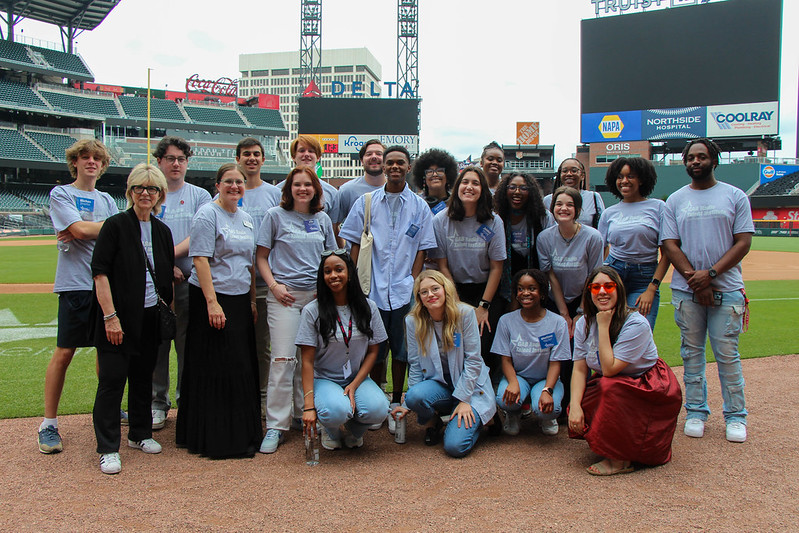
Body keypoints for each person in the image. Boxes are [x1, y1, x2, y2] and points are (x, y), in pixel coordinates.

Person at [661, 138, 754, 443]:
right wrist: (694, 279)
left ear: (714, 160)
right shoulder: (675, 199)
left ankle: (736, 416)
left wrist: (711, 274)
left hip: (727, 288)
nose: (695, 162)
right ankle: (697, 411)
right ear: (685, 162)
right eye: (690, 157)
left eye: (702, 157)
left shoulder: (735, 196)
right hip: (687, 291)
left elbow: (743, 242)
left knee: (727, 354)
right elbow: (670, 244)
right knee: (691, 354)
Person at [339, 145, 437, 426]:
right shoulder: (366, 202)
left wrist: (414, 280)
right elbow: (354, 245)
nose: (394, 167)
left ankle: (396, 401)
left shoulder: (420, 206)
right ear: (382, 167)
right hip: (372, 290)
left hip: (405, 290)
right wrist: (354, 286)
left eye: (400, 163)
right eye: (389, 162)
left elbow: (423, 248)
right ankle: (377, 400)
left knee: (403, 350)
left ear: (408, 168)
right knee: (375, 349)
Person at [90, 164, 174, 474]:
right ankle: (108, 446)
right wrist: (110, 317)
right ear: (130, 192)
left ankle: (139, 433)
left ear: (160, 195)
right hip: (118, 318)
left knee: (143, 379)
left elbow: (164, 275)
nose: (145, 194)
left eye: (152, 189)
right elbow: (99, 273)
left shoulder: (162, 231)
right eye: (139, 188)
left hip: (150, 316)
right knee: (112, 381)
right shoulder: (114, 226)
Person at [175, 164, 262, 459]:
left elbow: (250, 264)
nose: (235, 186)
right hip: (212, 298)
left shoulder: (247, 218)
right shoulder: (207, 214)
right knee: (216, 366)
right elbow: (199, 259)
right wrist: (212, 303)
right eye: (229, 182)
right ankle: (214, 436)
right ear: (218, 185)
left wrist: (251, 301)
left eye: (239, 182)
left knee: (240, 366)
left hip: (239, 299)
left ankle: (241, 432)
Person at [38, 139, 118, 454]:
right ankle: (48, 423)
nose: (91, 162)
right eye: (84, 157)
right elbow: (85, 232)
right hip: (74, 284)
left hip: (104, 286)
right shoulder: (62, 193)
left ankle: (107, 410)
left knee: (105, 352)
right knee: (64, 352)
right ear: (75, 162)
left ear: (102, 164)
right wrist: (92, 229)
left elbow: (102, 232)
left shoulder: (107, 199)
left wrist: (85, 228)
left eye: (96, 158)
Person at [568, 267, 682, 475]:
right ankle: (613, 441)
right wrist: (574, 405)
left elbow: (610, 370)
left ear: (619, 290)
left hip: (648, 386)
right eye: (596, 287)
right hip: (616, 382)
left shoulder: (636, 323)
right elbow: (579, 368)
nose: (602, 291)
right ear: (589, 292)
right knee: (591, 392)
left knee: (609, 387)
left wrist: (603, 326)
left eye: (608, 286)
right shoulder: (584, 322)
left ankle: (620, 459)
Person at [256, 166, 337, 453]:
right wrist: (274, 286)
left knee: (311, 361)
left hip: (316, 299)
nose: (302, 189)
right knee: (282, 360)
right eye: (297, 184)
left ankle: (306, 415)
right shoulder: (274, 216)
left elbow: (332, 258)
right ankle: (276, 425)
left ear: (316, 189)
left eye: (308, 185)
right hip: (284, 297)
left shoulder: (323, 219)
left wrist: (324, 288)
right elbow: (262, 257)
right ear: (289, 189)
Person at [391, 271, 497, 458]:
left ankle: (483, 419)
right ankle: (435, 421)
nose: (430, 295)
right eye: (424, 292)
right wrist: (408, 404)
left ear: (445, 290)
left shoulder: (465, 314)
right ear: (419, 298)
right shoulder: (413, 321)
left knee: (455, 447)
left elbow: (473, 360)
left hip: (469, 387)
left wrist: (464, 400)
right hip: (439, 385)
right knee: (415, 395)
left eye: (435, 289)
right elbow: (414, 363)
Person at [297, 250, 389, 450]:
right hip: (324, 379)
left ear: (349, 274)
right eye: (327, 272)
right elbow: (307, 361)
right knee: (335, 410)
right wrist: (309, 406)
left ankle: (354, 431)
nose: (333, 276)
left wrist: (355, 384)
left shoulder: (368, 307)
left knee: (379, 409)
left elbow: (374, 350)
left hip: (356, 377)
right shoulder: (312, 311)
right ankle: (332, 431)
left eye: (339, 270)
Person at [151, 136, 211, 431]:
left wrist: (168, 260)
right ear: (159, 161)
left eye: (181, 159)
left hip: (188, 281)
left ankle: (186, 400)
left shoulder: (199, 195)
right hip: (154, 284)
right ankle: (157, 403)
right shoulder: (150, 192)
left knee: (188, 345)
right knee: (158, 344)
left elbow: (198, 236)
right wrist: (163, 266)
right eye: (171, 158)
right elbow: (140, 235)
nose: (176, 164)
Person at [429, 166, 506, 381]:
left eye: (475, 183)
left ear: (483, 189)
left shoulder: (493, 221)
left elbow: (496, 267)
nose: (469, 187)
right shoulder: (441, 220)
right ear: (457, 187)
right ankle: (455, 395)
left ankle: (487, 401)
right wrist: (457, 303)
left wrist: (483, 307)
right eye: (465, 182)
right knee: (455, 343)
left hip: (485, 290)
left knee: (484, 343)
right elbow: (442, 265)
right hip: (453, 288)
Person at [536, 185, 603, 413]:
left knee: (582, 351)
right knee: (558, 351)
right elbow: (550, 276)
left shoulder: (592, 237)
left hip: (586, 299)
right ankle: (560, 404)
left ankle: (584, 403)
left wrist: (581, 312)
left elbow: (594, 276)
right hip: (557, 301)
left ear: (578, 210)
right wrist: (564, 314)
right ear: (552, 208)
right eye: (559, 204)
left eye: (569, 205)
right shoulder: (545, 238)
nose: (563, 208)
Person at [235, 137, 282, 418]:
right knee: (237, 342)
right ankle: (242, 395)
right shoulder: (232, 189)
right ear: (238, 158)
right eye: (246, 154)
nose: (251, 158)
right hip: (234, 282)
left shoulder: (273, 194)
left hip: (266, 282)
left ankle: (264, 398)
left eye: (256, 154)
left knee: (263, 345)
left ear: (263, 159)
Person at [492, 269, 570, 436]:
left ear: (542, 293)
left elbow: (556, 362)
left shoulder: (557, 323)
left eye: (532, 288)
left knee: (548, 409)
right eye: (520, 289)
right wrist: (513, 382)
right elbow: (505, 359)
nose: (525, 293)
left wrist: (548, 390)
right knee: (505, 400)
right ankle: (513, 414)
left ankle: (547, 418)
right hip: (519, 376)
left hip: (545, 378)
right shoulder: (506, 321)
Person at [599, 157, 669, 330]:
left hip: (644, 277)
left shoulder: (658, 207)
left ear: (642, 179)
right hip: (614, 273)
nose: (624, 181)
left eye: (630, 176)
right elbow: (601, 248)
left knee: (639, 331)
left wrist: (652, 288)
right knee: (610, 330)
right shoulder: (609, 213)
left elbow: (667, 252)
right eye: (620, 177)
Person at [493, 171, 552, 307]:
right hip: (503, 284)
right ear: (504, 191)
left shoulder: (543, 217)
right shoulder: (496, 218)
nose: (517, 192)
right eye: (512, 187)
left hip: (536, 284)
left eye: (523, 188)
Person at [277, 135, 339, 222]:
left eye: (311, 151)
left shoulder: (332, 193)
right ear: (293, 157)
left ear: (318, 157)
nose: (306, 154)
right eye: (302, 151)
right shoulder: (278, 191)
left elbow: (333, 229)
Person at [336, 139, 386, 227]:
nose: (374, 157)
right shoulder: (347, 190)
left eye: (379, 154)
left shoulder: (396, 190)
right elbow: (335, 225)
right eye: (369, 154)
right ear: (362, 161)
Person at [543, 158, 604, 228]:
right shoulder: (548, 200)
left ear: (582, 175)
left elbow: (602, 226)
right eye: (565, 171)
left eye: (574, 171)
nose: (569, 174)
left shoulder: (594, 197)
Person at [412, 148, 458, 216]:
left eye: (440, 171)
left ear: (448, 176)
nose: (435, 174)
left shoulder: (457, 203)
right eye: (430, 171)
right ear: (424, 178)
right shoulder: (415, 203)